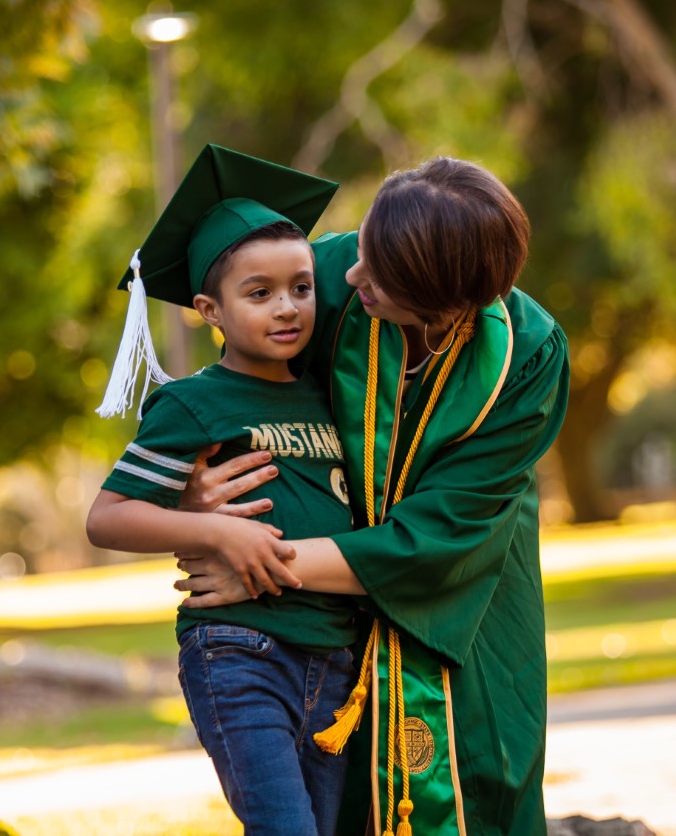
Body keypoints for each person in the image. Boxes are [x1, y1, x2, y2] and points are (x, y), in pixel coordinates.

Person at [173, 156, 571, 836]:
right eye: (363, 249)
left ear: (447, 306)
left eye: (379, 277)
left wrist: (261, 562)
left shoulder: (528, 356)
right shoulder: (324, 276)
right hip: (321, 622)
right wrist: (196, 491)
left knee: (480, 779)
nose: (353, 276)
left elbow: (442, 535)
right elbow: (228, 400)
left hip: (464, 596)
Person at [85, 144, 362, 836]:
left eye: (301, 286)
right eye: (258, 292)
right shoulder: (194, 405)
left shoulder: (333, 397)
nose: (288, 307)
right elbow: (108, 516)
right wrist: (216, 529)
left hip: (334, 660)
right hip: (240, 651)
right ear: (209, 308)